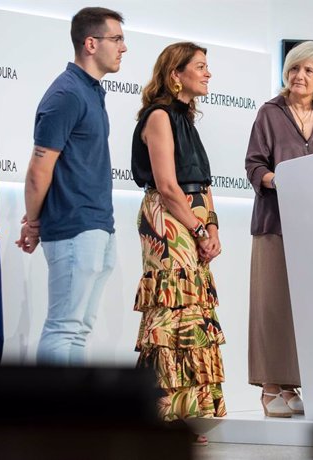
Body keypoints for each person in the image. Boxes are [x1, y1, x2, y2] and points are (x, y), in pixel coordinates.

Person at [15, 7, 127, 365]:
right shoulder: (66, 94)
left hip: (97, 227)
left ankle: (70, 416)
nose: (124, 48)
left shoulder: (90, 91)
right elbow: (38, 169)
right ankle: (48, 418)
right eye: (117, 39)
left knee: (78, 330)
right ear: (91, 43)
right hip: (74, 228)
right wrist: (33, 222)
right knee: (64, 327)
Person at [130, 42, 226, 443]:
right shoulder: (158, 117)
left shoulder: (187, 119)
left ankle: (176, 414)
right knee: (170, 317)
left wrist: (213, 226)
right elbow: (168, 186)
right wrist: (199, 229)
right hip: (168, 220)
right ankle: (155, 414)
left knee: (192, 318)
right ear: (176, 73)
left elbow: (202, 182)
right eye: (200, 67)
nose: (207, 74)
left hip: (194, 219)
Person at [245, 41, 313, 418]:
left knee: (306, 307)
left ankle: (293, 381)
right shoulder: (269, 113)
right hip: (274, 221)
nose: (299, 76)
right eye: (294, 68)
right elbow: (253, 164)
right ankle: (270, 385)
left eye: (308, 71)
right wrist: (275, 179)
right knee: (272, 305)